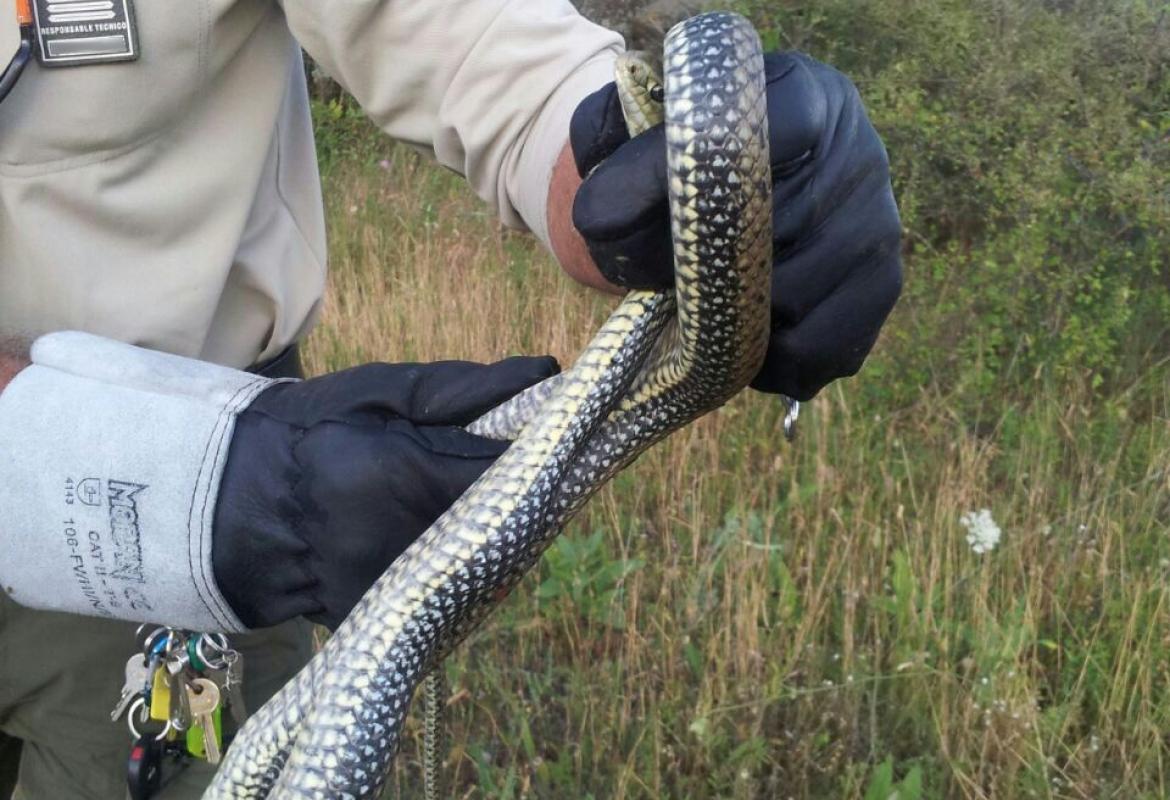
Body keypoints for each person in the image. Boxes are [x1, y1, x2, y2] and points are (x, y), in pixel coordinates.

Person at [0, 0, 902, 797]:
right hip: (200, 483)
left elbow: (464, 40)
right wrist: (147, 474)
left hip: (194, 523)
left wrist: (613, 144)